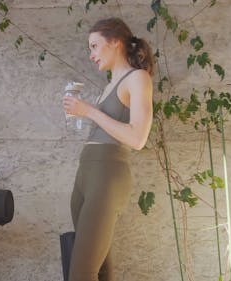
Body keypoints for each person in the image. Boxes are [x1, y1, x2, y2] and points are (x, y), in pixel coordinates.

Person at [62, 17, 154, 281]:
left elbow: (138, 138)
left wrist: (89, 111)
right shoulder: (108, 86)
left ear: (115, 42)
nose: (91, 55)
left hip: (107, 177)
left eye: (94, 46)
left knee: (81, 273)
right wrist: (82, 113)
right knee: (100, 271)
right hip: (86, 175)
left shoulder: (138, 79)